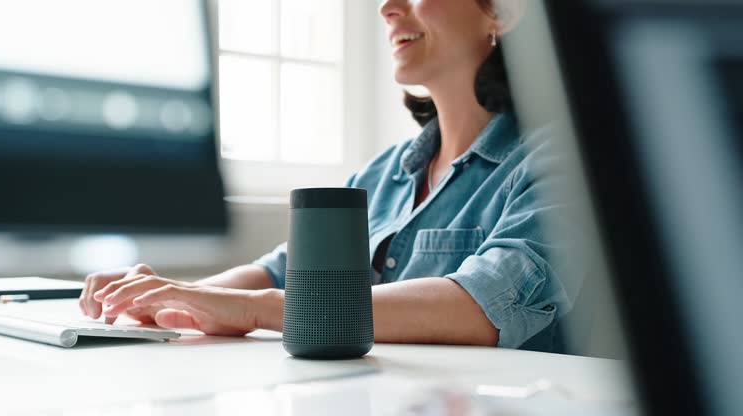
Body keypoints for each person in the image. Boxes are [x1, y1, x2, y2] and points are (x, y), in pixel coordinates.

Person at [78, 0, 579, 351]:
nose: (387, 6)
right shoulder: (382, 173)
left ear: (502, 11)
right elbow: (281, 271)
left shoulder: (561, 163)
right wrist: (170, 297)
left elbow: (483, 305)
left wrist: (253, 308)